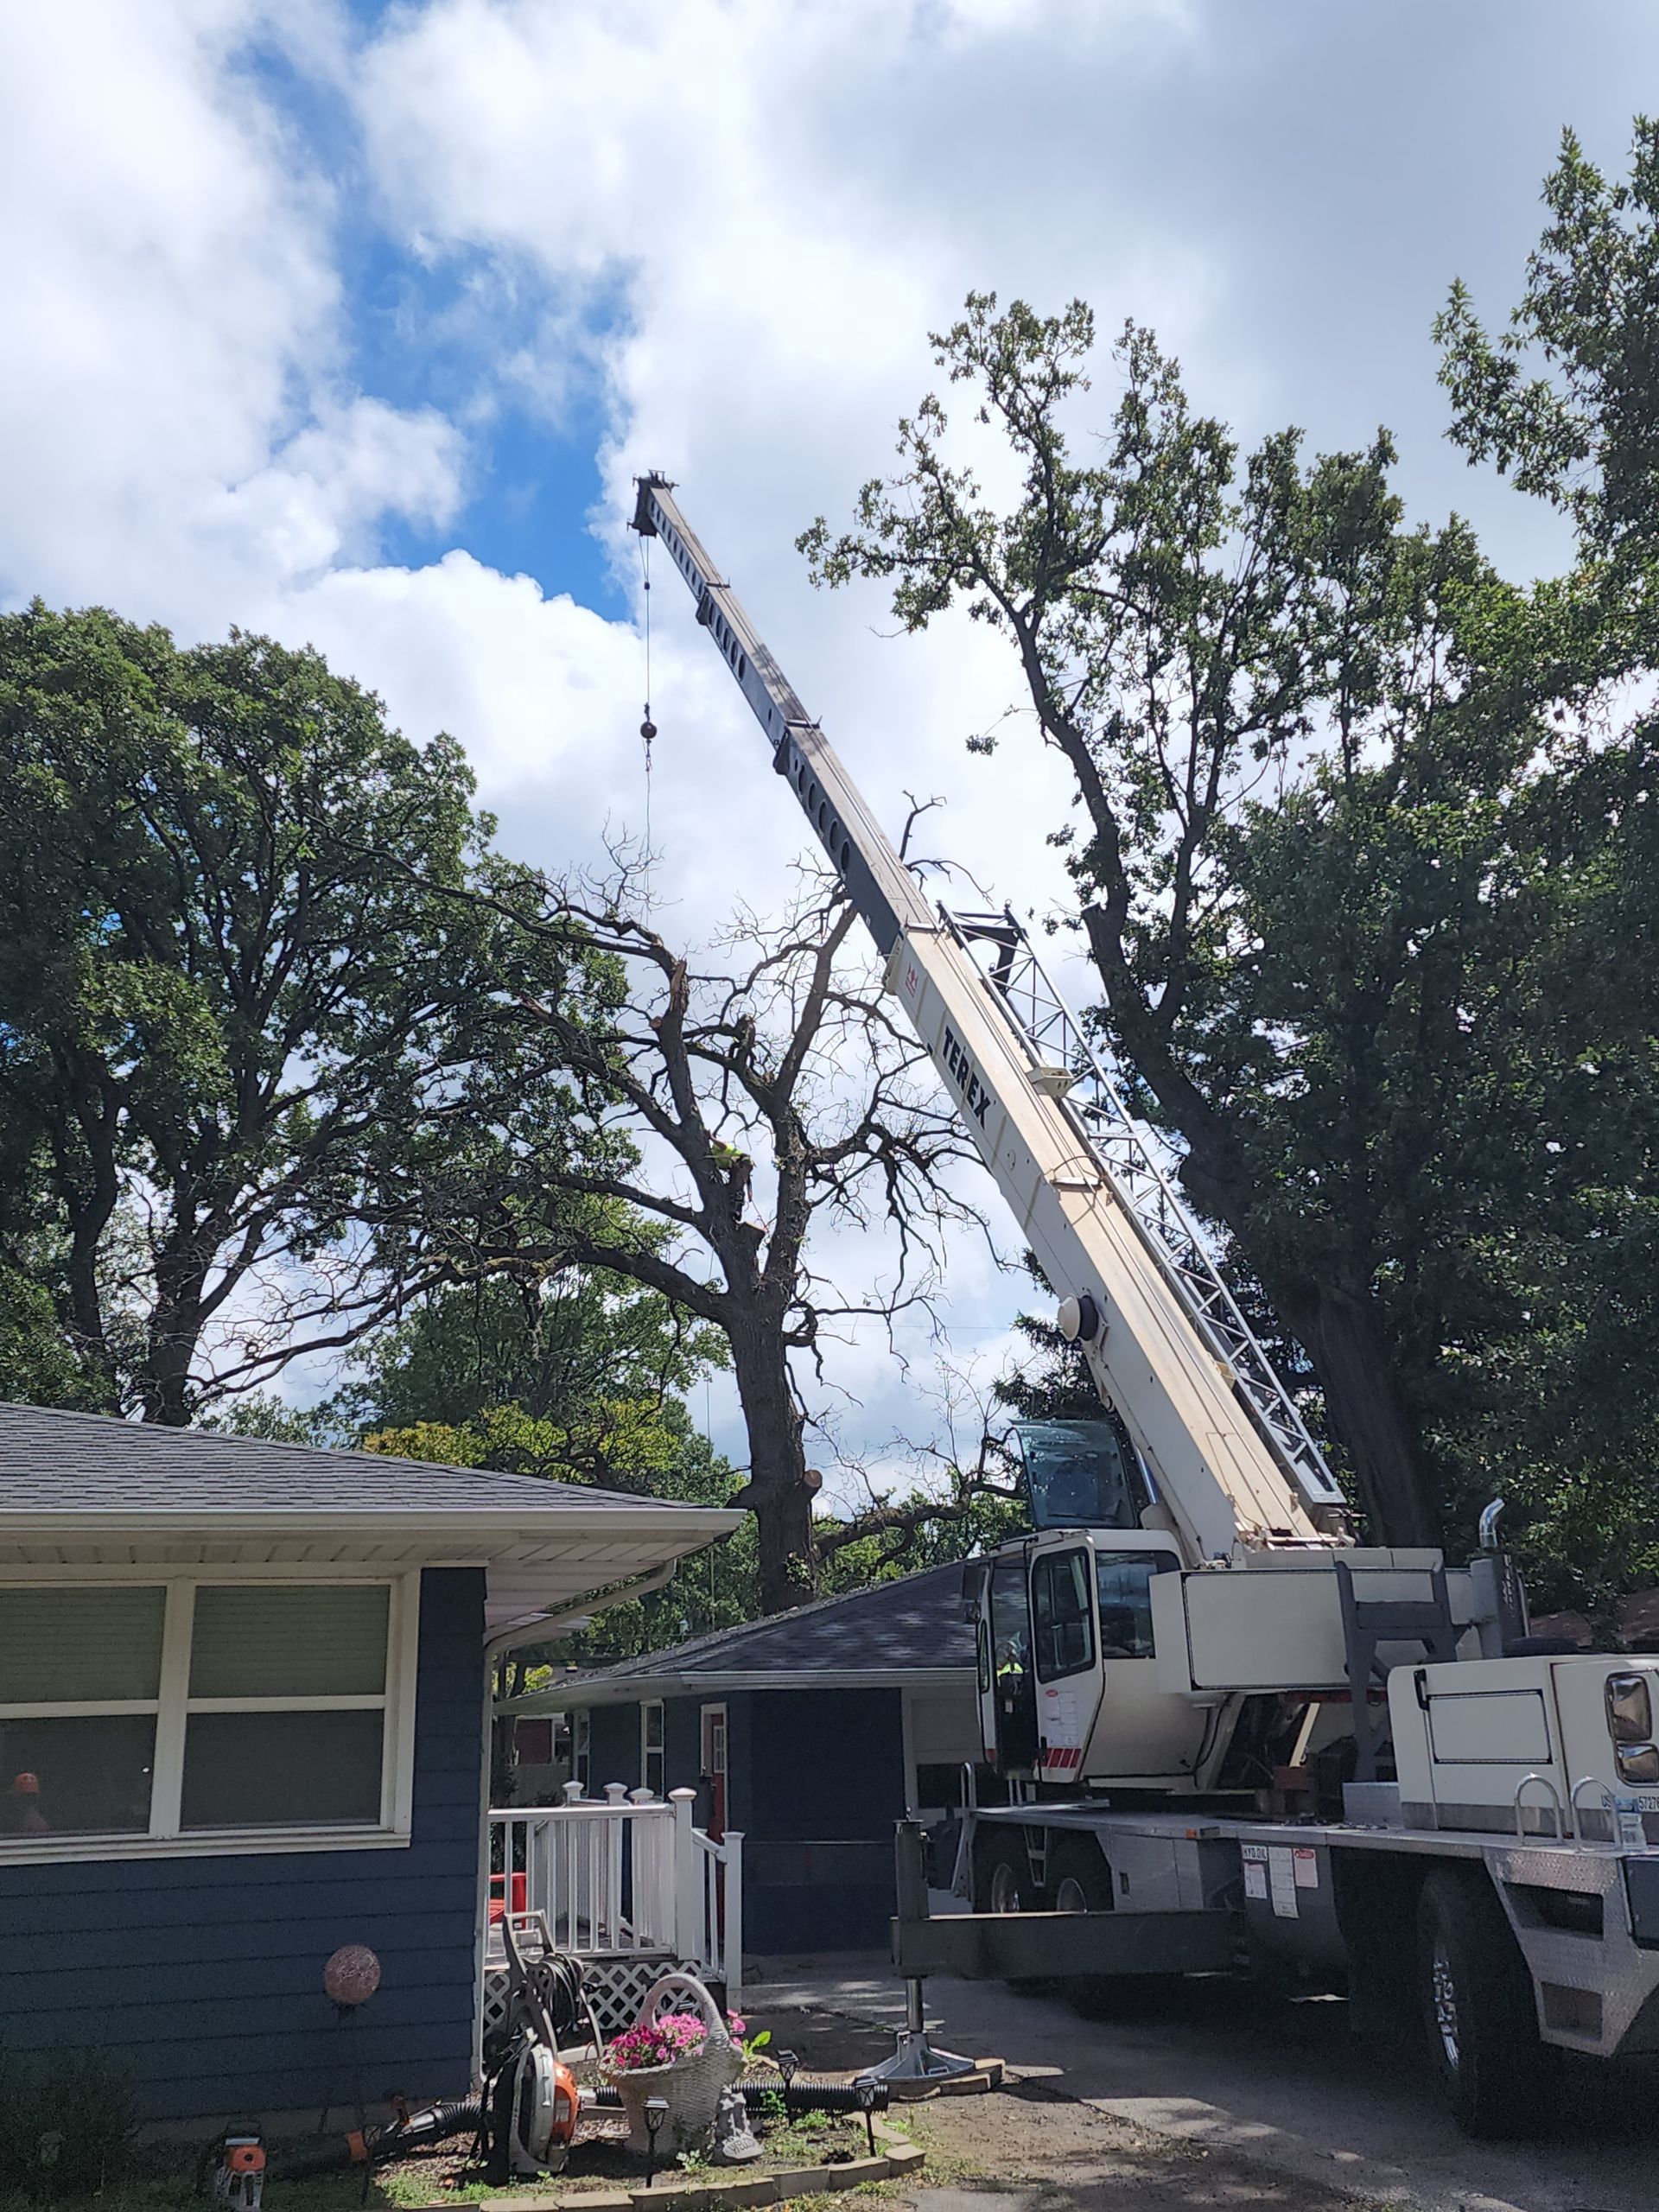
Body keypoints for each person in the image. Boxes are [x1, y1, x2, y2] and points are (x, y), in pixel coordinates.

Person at [3, 1770, 48, 1836]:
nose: (27, 1801)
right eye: (23, 1796)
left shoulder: (40, 1822)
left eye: (32, 1797)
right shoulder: (4, 1818)